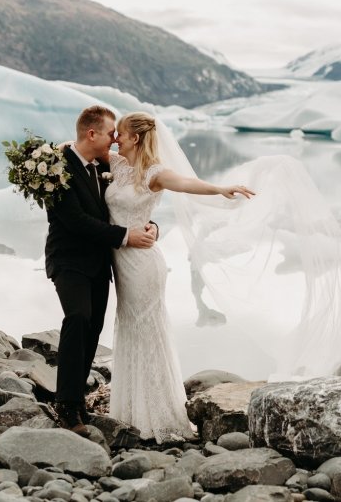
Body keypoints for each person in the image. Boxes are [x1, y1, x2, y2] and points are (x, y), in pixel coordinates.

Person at [106, 111, 254, 442]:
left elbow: (186, 183)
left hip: (143, 263)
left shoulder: (153, 172)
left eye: (120, 133)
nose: (115, 137)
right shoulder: (116, 165)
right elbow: (79, 150)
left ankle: (156, 416)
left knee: (148, 331)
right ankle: (130, 411)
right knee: (130, 329)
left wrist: (220, 188)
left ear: (135, 138)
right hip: (122, 260)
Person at [44, 105, 157, 436]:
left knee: (92, 328)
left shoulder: (102, 167)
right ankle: (64, 405)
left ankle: (77, 401)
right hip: (68, 260)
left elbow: (127, 205)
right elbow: (75, 221)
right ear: (92, 134)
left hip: (99, 263)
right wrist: (125, 237)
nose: (115, 139)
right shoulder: (57, 168)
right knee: (77, 318)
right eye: (111, 133)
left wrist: (150, 227)